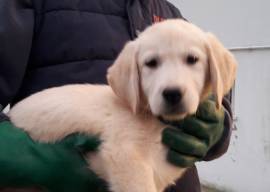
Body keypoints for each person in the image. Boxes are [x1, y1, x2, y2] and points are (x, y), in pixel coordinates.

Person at [0, 0, 233, 191]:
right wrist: (26, 158)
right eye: (152, 62)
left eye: (191, 59)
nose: (172, 83)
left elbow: (217, 91)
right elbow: (124, 154)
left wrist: (219, 127)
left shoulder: (167, 11)